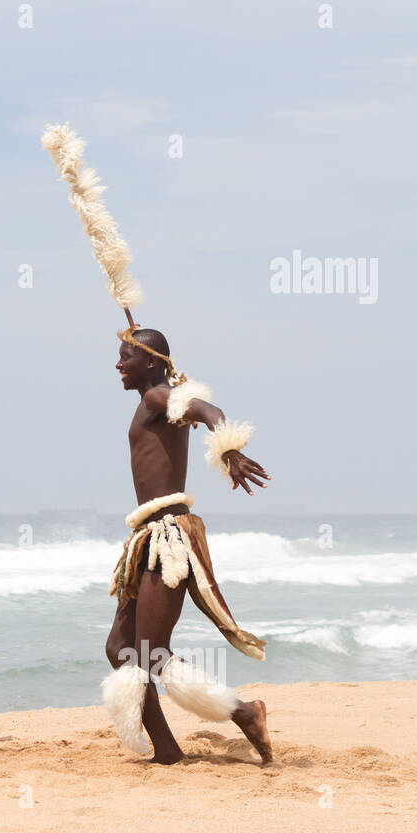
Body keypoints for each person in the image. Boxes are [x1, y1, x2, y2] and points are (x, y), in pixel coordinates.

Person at [102, 325, 275, 765]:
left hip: (168, 543)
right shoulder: (154, 401)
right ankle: (169, 749)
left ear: (153, 363)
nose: (118, 364)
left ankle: (243, 713)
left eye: (127, 356)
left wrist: (229, 450)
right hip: (147, 540)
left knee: (146, 652)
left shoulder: (156, 397)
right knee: (121, 647)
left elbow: (208, 409)